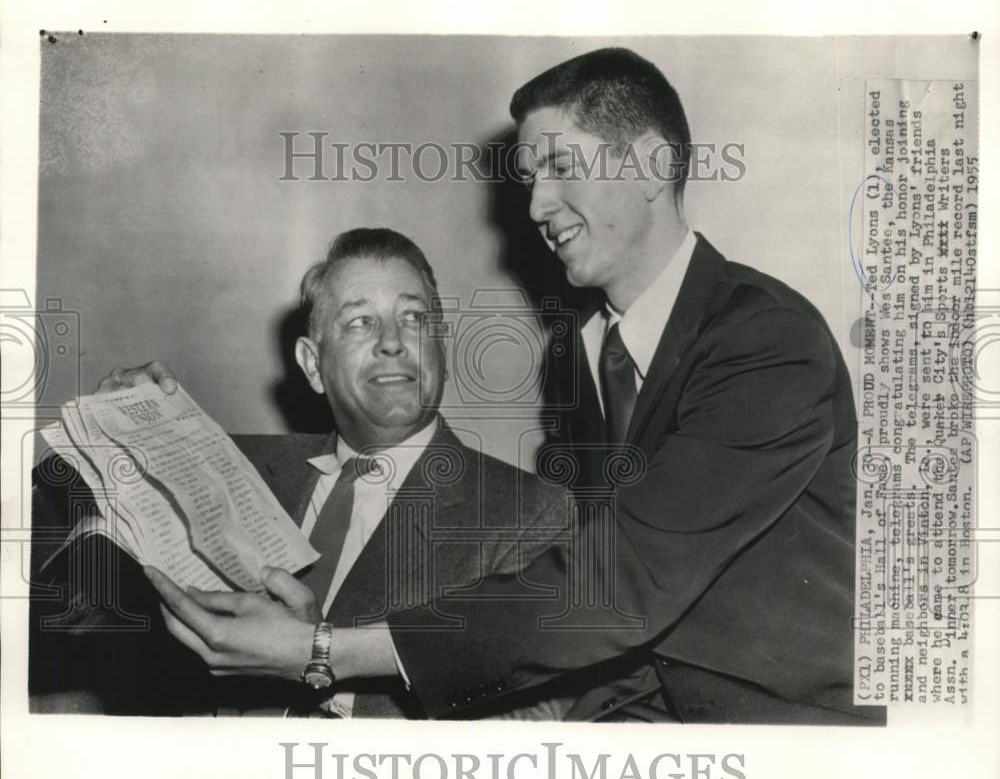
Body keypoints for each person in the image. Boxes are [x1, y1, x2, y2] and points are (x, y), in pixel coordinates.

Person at [108, 48, 883, 724]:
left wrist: (323, 653)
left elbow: (619, 586)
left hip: (783, 740)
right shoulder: (582, 355)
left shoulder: (765, 340)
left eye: (561, 167)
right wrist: (141, 421)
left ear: (651, 165)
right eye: (529, 178)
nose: (537, 205)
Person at [33, 227, 568, 719]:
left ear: (441, 348)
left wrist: (326, 673)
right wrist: (109, 432)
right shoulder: (230, 463)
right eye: (361, 321)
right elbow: (44, 552)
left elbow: (534, 726)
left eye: (414, 317)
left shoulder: (527, 512)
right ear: (313, 364)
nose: (392, 341)